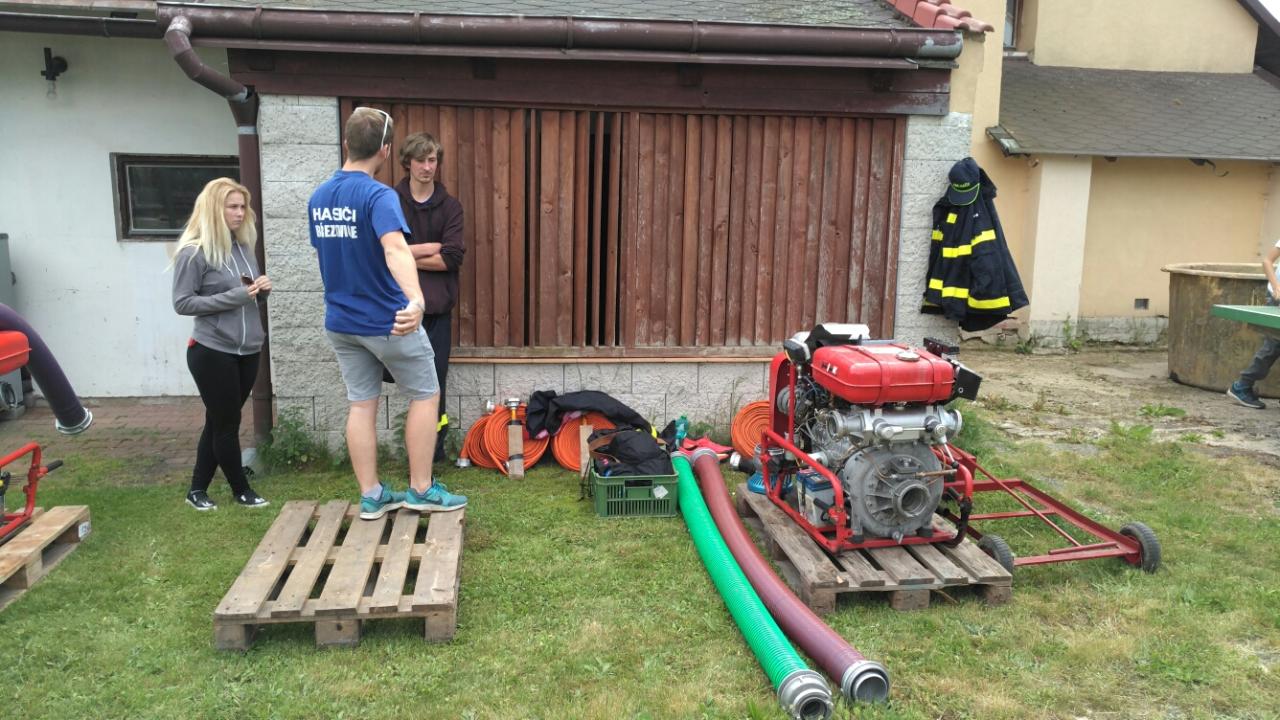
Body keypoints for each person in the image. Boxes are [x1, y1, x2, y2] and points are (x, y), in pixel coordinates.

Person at [308, 107, 467, 520]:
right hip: (386, 320)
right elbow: (395, 250)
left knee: (362, 404)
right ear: (386, 150)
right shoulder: (379, 196)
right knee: (426, 395)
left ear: (347, 144)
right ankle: (421, 489)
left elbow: (332, 252)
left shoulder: (319, 197)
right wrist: (416, 300)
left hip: (341, 322)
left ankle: (372, 495)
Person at [171, 177, 270, 510]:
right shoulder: (194, 252)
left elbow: (246, 295)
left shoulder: (243, 248)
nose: (240, 213)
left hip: (248, 349)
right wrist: (237, 296)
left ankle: (196, 490)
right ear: (214, 209)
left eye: (243, 207)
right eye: (232, 207)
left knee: (218, 421)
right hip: (212, 350)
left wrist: (260, 290)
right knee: (228, 424)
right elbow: (183, 303)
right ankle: (241, 490)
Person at [394, 132, 465, 463]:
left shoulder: (450, 207)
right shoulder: (390, 202)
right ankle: (410, 448)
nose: (427, 167)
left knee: (435, 382)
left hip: (436, 311)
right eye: (420, 160)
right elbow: (380, 252)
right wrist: (428, 248)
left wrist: (403, 254)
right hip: (399, 310)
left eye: (432, 160)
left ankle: (434, 451)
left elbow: (451, 258)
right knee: (403, 381)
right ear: (407, 163)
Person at [1227, 240, 1280, 409]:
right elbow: (1267, 261)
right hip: (1277, 299)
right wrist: (1276, 287)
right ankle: (1241, 386)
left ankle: (1243, 385)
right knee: (1273, 345)